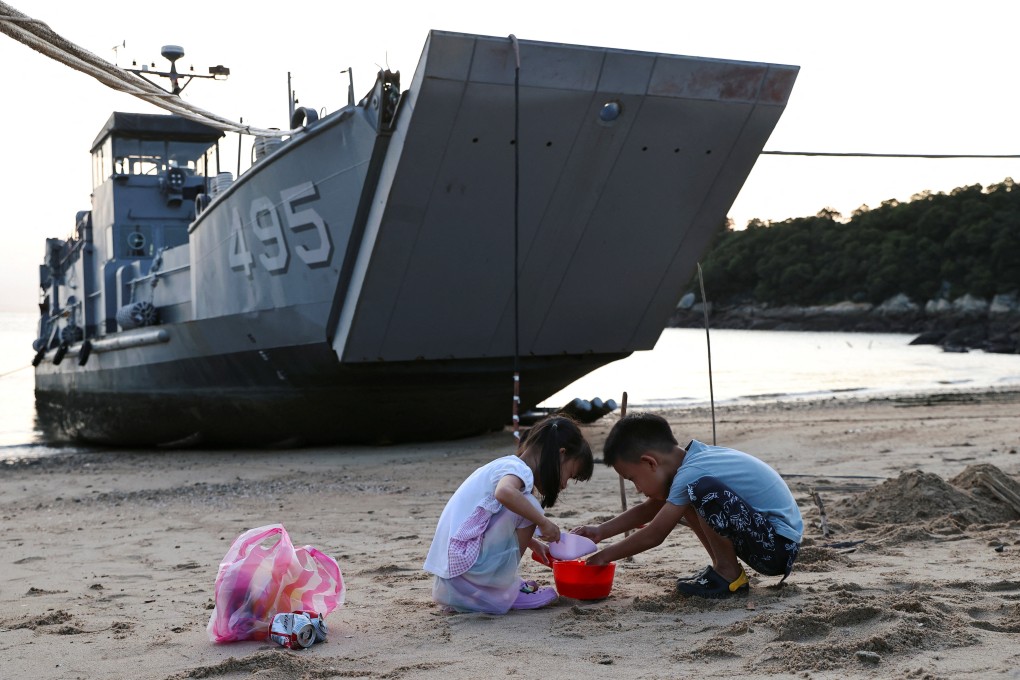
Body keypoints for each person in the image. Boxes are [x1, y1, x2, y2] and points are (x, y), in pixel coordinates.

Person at [576, 413, 802, 599]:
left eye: (632, 478)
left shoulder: (693, 473)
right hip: (767, 539)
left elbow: (655, 534)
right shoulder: (689, 464)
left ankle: (727, 573)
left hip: (777, 548)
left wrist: (604, 557)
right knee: (688, 497)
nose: (636, 488)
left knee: (702, 491)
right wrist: (600, 532)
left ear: (650, 462)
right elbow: (651, 508)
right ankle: (722, 569)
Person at [423, 416, 594, 613]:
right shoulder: (519, 470)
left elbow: (486, 517)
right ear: (561, 455)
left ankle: (494, 587)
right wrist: (542, 522)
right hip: (464, 570)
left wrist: (532, 542)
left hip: (453, 574)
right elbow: (504, 493)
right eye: (569, 475)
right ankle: (502, 590)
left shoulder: (506, 465)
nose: (564, 485)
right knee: (529, 505)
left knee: (524, 503)